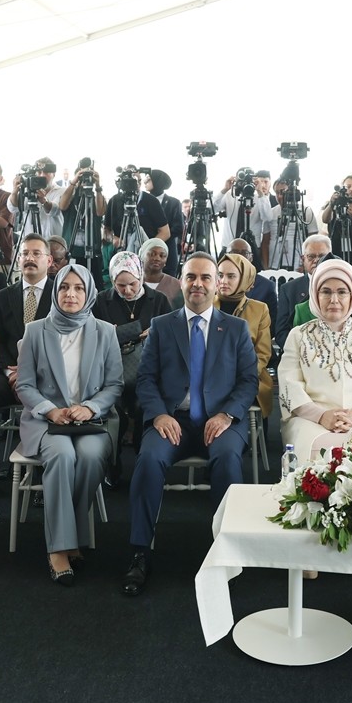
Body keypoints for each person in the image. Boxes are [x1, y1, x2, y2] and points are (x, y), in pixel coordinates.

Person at [122, 252, 258, 596]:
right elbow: (146, 379)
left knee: (228, 459)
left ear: (217, 285)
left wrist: (227, 415)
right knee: (148, 460)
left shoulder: (236, 329)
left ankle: (227, 551)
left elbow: (248, 382)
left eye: (206, 277)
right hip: (173, 420)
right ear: (181, 282)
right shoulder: (162, 326)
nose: (198, 284)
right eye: (191, 277)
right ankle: (140, 551)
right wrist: (159, 414)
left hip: (221, 420)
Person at [16, 263, 123, 585]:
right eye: (64, 287)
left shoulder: (105, 331)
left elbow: (114, 385)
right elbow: (25, 385)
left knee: (90, 456)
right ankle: (59, 549)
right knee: (62, 456)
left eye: (78, 288)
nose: (71, 294)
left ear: (89, 293)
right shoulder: (35, 331)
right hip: (47, 421)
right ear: (55, 291)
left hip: (92, 420)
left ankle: (69, 531)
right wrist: (50, 410)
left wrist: (90, 407)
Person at [280, 257, 352, 456]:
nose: (334, 300)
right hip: (309, 420)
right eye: (326, 292)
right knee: (321, 449)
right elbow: (290, 386)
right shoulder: (298, 335)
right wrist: (322, 416)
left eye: (342, 292)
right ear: (315, 295)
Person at [93, 252, 171, 484]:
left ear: (141, 277)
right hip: (109, 371)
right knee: (113, 412)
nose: (127, 290)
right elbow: (96, 336)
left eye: (132, 284)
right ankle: (112, 464)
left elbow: (169, 336)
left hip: (148, 371)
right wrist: (137, 331)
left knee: (144, 409)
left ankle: (143, 464)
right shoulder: (102, 300)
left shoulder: (158, 300)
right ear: (113, 281)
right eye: (120, 285)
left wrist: (119, 332)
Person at [0, 235, 53, 472]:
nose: (29, 258)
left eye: (36, 253)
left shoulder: (60, 294)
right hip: (10, 374)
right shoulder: (4, 295)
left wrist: (30, 372)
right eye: (25, 254)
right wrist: (9, 371)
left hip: (47, 374)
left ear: (49, 260)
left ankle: (46, 468)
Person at [215, 251, 273, 419]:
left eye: (231, 276)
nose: (224, 281)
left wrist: (240, 377)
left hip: (248, 377)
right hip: (210, 379)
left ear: (245, 278)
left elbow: (263, 354)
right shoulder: (206, 305)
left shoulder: (259, 309)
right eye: (220, 275)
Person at [275, 234, 331, 350]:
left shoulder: (342, 286)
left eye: (322, 256)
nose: (316, 260)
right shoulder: (288, 289)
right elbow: (281, 332)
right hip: (298, 351)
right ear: (303, 259)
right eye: (311, 256)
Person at [139, 237, 182, 307]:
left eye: (162, 256)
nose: (157, 258)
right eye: (152, 254)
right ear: (142, 256)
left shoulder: (175, 285)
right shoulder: (133, 282)